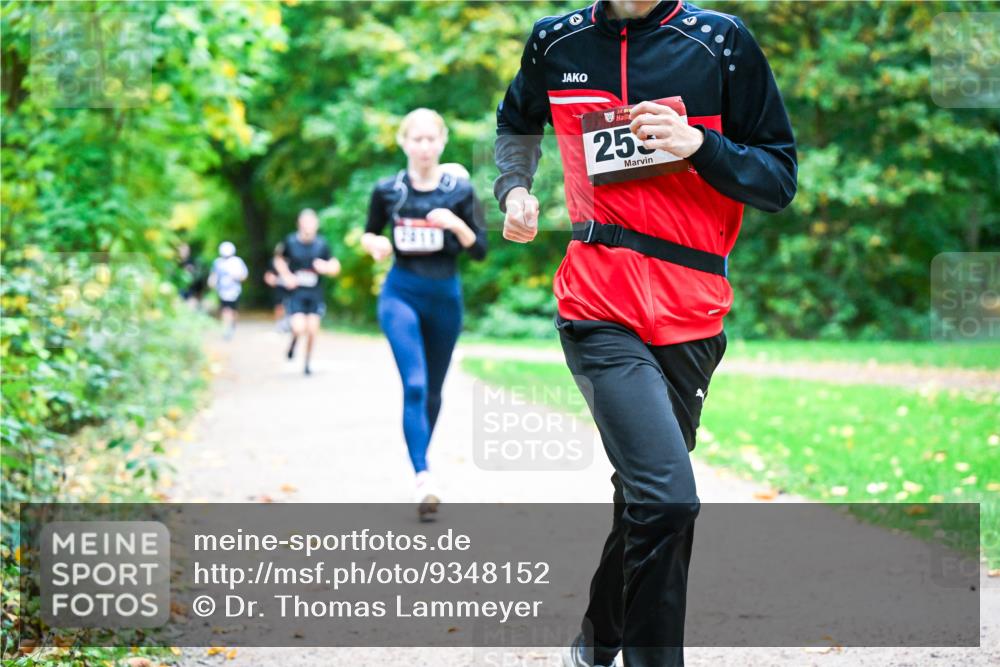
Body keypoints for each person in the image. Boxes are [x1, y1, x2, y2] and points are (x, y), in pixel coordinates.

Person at [495, 1, 797, 666]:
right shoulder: (558, 41)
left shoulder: (719, 42)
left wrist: (701, 145)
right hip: (597, 302)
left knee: (645, 500)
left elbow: (779, 180)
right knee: (668, 499)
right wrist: (514, 187)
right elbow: (516, 123)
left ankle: (600, 638)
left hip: (693, 310)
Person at [362, 108, 488, 521]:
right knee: (414, 385)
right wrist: (373, 245)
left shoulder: (460, 191)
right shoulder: (387, 190)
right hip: (400, 293)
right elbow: (370, 231)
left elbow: (480, 250)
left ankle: (422, 462)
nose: (424, 146)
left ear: (442, 141)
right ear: (403, 143)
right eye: (416, 139)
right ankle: (423, 476)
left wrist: (456, 224)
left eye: (431, 138)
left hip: (444, 296)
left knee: (433, 390)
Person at [274, 209, 341, 375]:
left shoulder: (321, 244)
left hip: (315, 293)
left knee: (312, 330)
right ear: (299, 223)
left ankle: (307, 363)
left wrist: (326, 267)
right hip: (296, 292)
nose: (308, 225)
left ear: (316, 224)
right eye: (305, 222)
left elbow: (335, 266)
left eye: (312, 222)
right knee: (298, 327)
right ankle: (294, 343)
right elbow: (279, 259)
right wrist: (287, 276)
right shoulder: (290, 241)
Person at [208, 241, 249, 340]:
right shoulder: (218, 262)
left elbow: (244, 275)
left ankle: (232, 325)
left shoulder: (237, 261)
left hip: (235, 291)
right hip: (222, 291)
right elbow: (214, 274)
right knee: (225, 310)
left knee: (233, 311)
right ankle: (227, 329)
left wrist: (237, 277)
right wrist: (211, 282)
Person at [263, 242, 291, 333]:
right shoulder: (273, 261)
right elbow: (268, 274)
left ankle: (288, 323)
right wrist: (271, 280)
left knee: (290, 305)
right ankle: (279, 323)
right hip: (279, 286)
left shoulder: (292, 260)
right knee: (279, 306)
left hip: (291, 286)